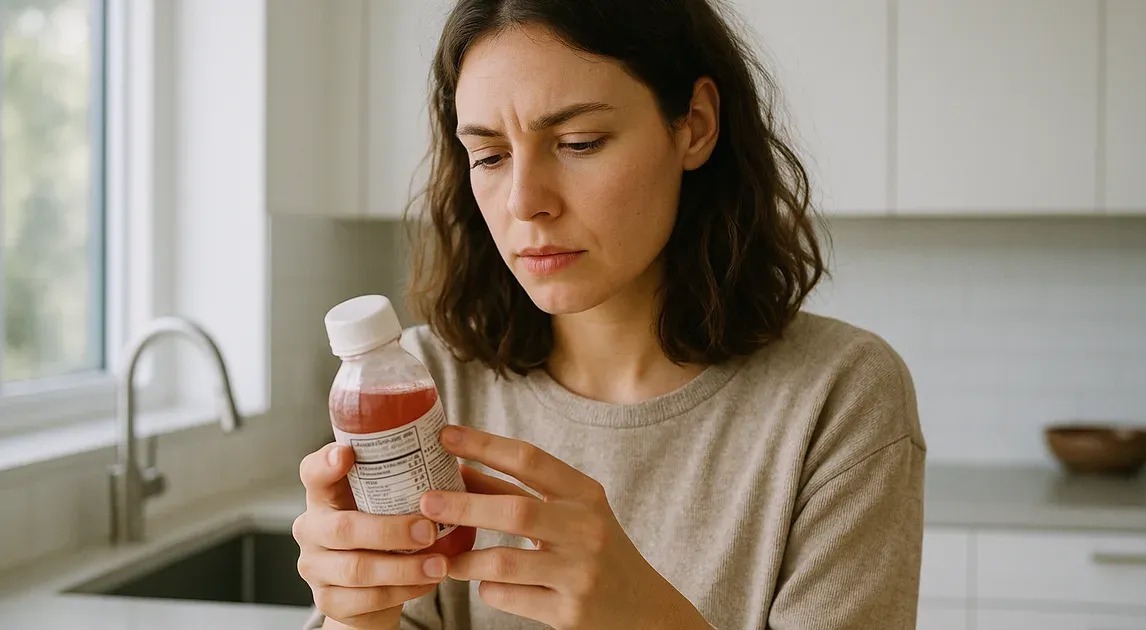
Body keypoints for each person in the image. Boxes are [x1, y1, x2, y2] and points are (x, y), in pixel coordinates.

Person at [294, 0, 926, 628]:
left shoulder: (840, 395)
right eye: (489, 155)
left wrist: (650, 619)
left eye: (578, 142)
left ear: (695, 126)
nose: (524, 202)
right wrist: (359, 614)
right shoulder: (425, 385)